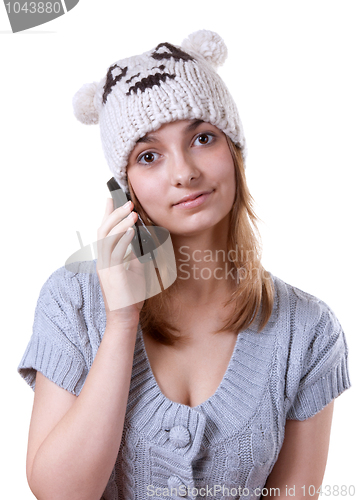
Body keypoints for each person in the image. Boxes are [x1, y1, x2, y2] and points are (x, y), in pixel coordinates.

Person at [18, 30, 351, 500]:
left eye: (202, 137)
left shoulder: (309, 330)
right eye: (149, 156)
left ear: (233, 151)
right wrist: (121, 320)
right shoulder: (71, 300)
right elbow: (62, 494)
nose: (183, 172)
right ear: (124, 188)